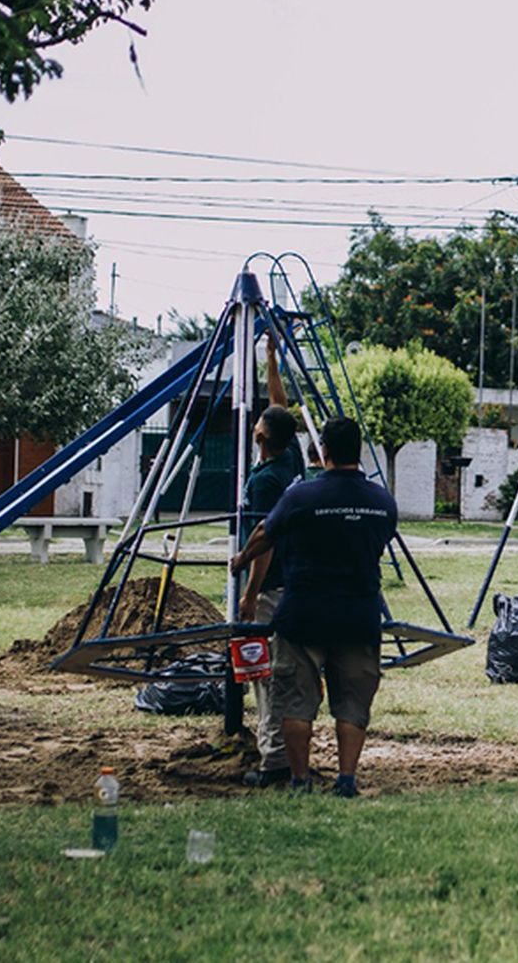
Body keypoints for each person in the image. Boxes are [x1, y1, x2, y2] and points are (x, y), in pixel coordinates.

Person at [229, 417, 399, 798]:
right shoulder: (381, 502)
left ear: (323, 451)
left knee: (296, 702)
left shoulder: (302, 496)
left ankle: (300, 780)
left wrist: (241, 561)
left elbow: (264, 534)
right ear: (358, 450)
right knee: (353, 702)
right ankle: (346, 780)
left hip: (304, 614)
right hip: (358, 614)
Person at [237, 336, 304, 787]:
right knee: (279, 668)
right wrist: (271, 358)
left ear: (260, 435)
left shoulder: (266, 482)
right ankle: (279, 750)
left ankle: (273, 759)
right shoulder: (291, 457)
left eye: (259, 421)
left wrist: (249, 593)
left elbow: (267, 543)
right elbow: (278, 404)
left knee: (266, 673)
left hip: (273, 584)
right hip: (295, 582)